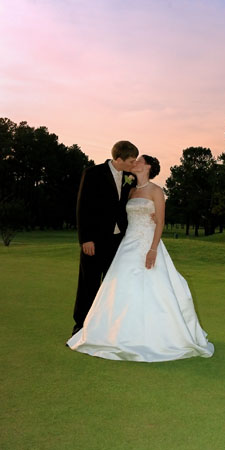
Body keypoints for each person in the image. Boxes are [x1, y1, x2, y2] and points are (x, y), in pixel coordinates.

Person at [67, 154, 214, 362]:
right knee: (120, 287)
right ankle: (115, 334)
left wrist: (153, 249)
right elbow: (116, 213)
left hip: (148, 244)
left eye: (139, 161)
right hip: (127, 244)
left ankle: (157, 335)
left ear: (148, 167)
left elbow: (160, 222)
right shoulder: (130, 189)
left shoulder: (156, 191)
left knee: (154, 288)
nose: (134, 163)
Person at [71, 140, 139, 336]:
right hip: (94, 240)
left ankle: (107, 327)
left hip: (118, 242)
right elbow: (83, 207)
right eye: (131, 161)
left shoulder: (130, 177)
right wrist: (86, 239)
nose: (134, 164)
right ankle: (80, 326)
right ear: (118, 159)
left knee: (112, 285)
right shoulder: (92, 173)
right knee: (88, 284)